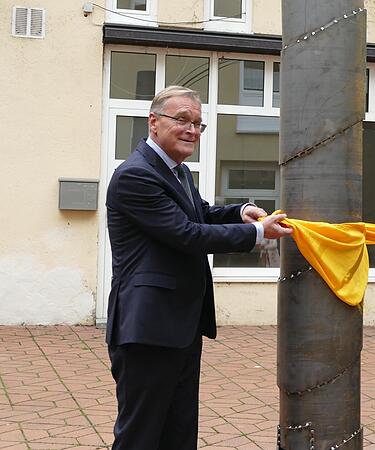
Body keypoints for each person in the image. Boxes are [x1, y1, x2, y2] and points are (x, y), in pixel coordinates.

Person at [105, 85, 292, 449]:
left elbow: (200, 213)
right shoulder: (135, 175)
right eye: (183, 120)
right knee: (141, 435)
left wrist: (240, 211)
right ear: (154, 122)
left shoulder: (175, 170)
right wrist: (256, 232)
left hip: (180, 325)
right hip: (148, 328)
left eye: (198, 124)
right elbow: (186, 234)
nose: (192, 130)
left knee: (178, 430)